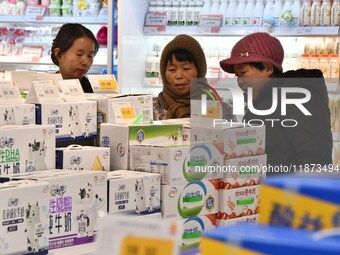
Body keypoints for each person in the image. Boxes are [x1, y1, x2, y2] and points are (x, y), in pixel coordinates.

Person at [219, 32, 332, 169]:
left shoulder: (298, 99)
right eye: (237, 75)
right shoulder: (262, 102)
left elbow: (315, 161)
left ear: (268, 68)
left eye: (243, 72)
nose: (240, 81)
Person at [153, 34, 234, 120]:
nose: (179, 76)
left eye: (186, 68)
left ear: (199, 71)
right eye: (172, 69)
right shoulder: (150, 108)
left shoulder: (221, 109)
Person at [51, 23, 99, 93]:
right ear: (59, 55)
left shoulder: (94, 89)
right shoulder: (46, 88)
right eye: (79, 54)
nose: (85, 62)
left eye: (90, 56)